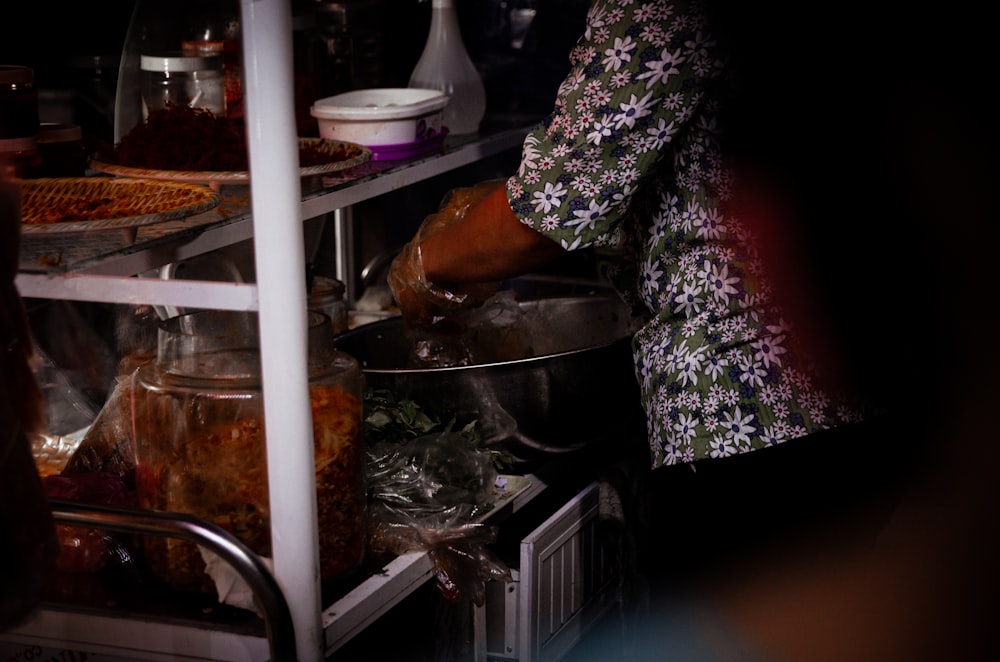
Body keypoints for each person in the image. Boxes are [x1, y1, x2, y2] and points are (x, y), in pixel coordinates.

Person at [389, 1, 999, 660]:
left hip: (746, 408)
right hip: (834, 391)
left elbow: (554, 207)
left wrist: (425, 264)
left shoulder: (652, 9)